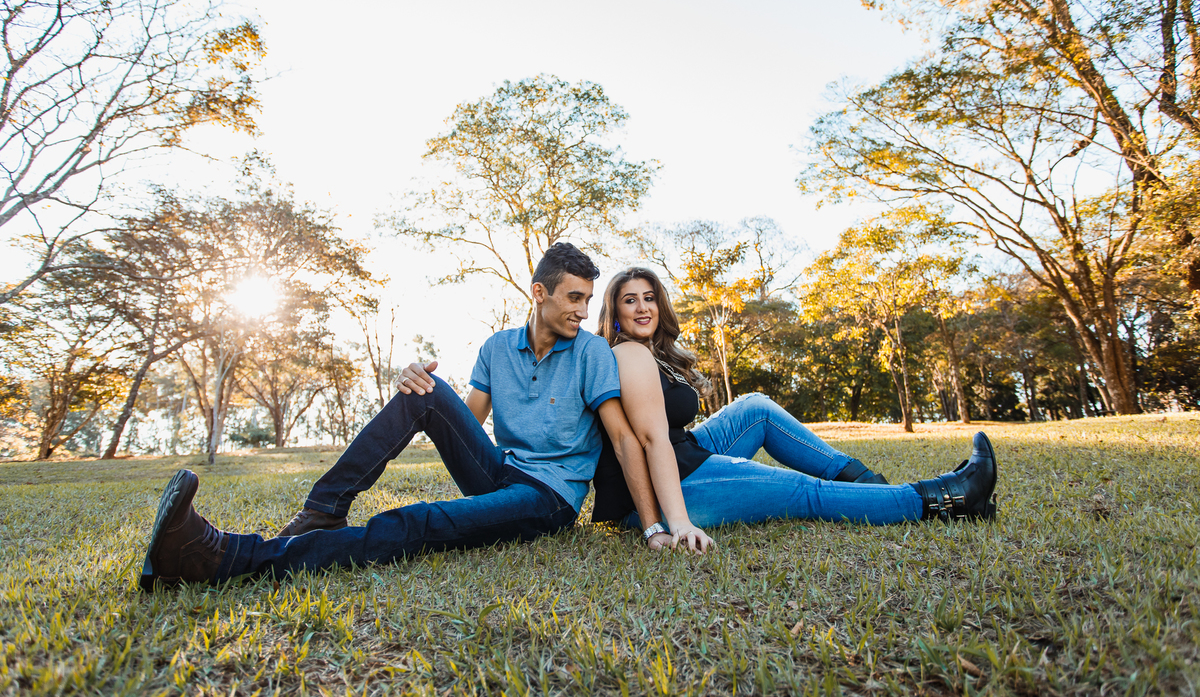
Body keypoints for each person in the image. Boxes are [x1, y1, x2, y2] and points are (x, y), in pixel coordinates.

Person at [139, 243, 676, 590]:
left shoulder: (591, 353)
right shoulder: (497, 347)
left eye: (588, 300)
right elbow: (465, 425)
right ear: (540, 293)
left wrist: (653, 526)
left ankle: (223, 558)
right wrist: (418, 387)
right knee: (425, 390)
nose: (583, 311)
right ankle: (324, 509)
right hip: (500, 471)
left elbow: (624, 441)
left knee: (420, 521)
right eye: (574, 298)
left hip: (548, 497)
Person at [590, 266, 997, 551]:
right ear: (616, 313)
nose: (643, 307)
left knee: (755, 408)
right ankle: (941, 498)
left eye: (649, 298)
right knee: (802, 492)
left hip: (685, 455)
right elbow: (651, 440)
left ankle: (868, 486)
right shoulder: (628, 353)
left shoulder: (652, 354)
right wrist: (674, 523)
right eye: (630, 300)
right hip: (665, 490)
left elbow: (667, 435)